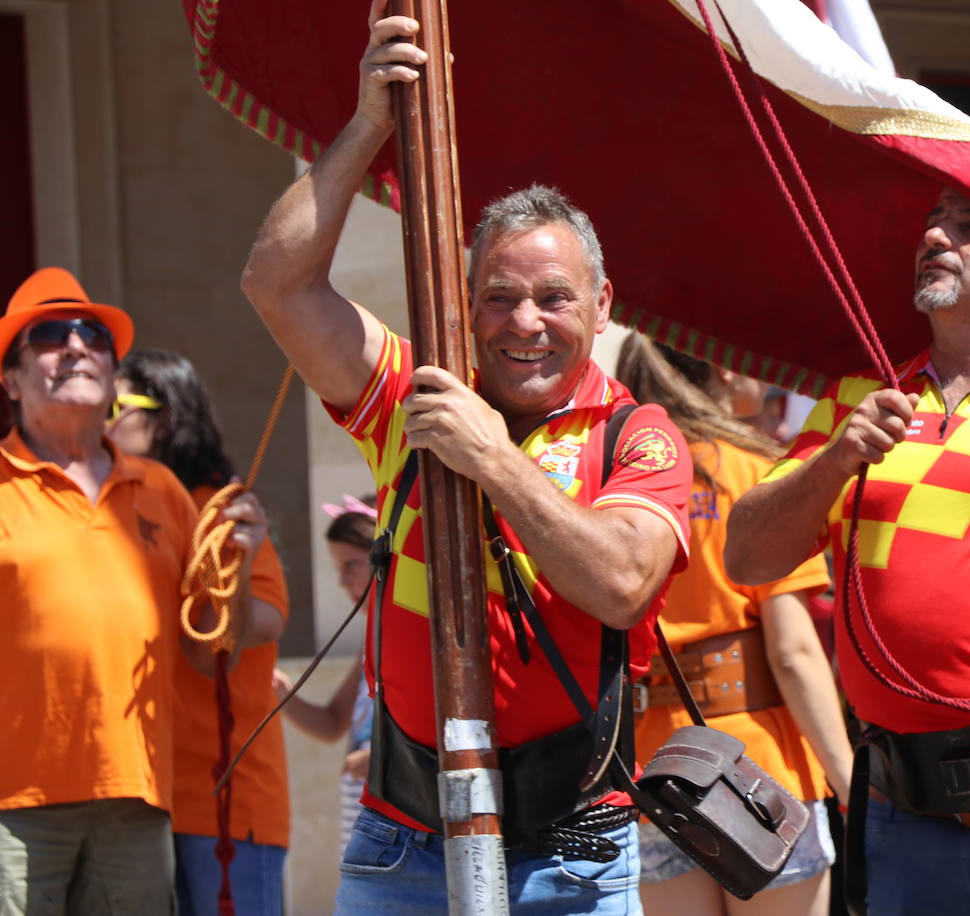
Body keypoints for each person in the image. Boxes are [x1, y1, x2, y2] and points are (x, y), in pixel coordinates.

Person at [238, 7, 693, 912]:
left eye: (554, 299)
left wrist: (492, 460)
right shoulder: (418, 395)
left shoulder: (636, 435)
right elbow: (275, 284)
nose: (525, 324)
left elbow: (623, 583)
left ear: (602, 305)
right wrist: (371, 124)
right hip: (400, 839)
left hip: (575, 854)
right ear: (464, 299)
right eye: (499, 297)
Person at [724, 186, 970, 915]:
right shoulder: (862, 394)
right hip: (893, 808)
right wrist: (834, 458)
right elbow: (746, 559)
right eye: (933, 220)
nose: (935, 234)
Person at [0, 267, 267, 912]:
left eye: (91, 335)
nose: (75, 346)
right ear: (10, 379)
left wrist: (236, 566)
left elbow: (206, 652)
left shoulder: (162, 490)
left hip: (137, 798)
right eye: (49, 336)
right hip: (5, 804)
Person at [617, 335, 851, 916]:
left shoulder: (618, 485)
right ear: (723, 369)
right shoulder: (753, 475)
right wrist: (848, 777)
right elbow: (793, 651)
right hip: (756, 772)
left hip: (652, 772)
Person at [107, 348, 291, 915]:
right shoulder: (113, 508)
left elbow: (262, 624)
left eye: (114, 406)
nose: (100, 419)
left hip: (225, 804)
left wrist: (234, 568)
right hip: (136, 801)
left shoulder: (221, 509)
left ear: (163, 419)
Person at [272, 496, 377, 856]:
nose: (341, 580)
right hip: (362, 823)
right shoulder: (371, 644)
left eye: (352, 565)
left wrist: (379, 757)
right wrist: (281, 692)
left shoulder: (417, 638)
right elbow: (333, 723)